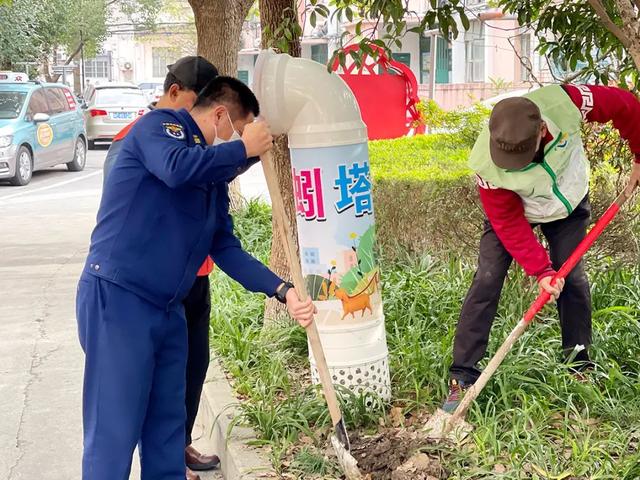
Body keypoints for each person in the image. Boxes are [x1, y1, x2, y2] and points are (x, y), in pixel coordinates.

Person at [76, 75, 316, 479]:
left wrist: (281, 289)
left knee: (167, 430)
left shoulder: (211, 180)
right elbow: (175, 169)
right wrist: (243, 147)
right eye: (237, 133)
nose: (239, 151)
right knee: (113, 433)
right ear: (220, 115)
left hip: (168, 310)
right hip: (119, 300)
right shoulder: (160, 128)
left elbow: (225, 247)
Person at [443, 84, 640, 412]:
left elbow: (627, 106)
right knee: (487, 278)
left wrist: (639, 155)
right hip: (515, 211)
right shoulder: (486, 163)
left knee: (572, 280)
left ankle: (578, 363)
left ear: (543, 131)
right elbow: (507, 222)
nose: (514, 165)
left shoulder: (569, 103)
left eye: (521, 157)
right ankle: (463, 373)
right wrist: (541, 270)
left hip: (567, 206)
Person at [102, 56, 221, 480]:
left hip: (191, 280)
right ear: (173, 93)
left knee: (187, 375)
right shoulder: (139, 135)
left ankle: (177, 450)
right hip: (138, 289)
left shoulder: (197, 144)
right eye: (200, 105)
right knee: (126, 404)